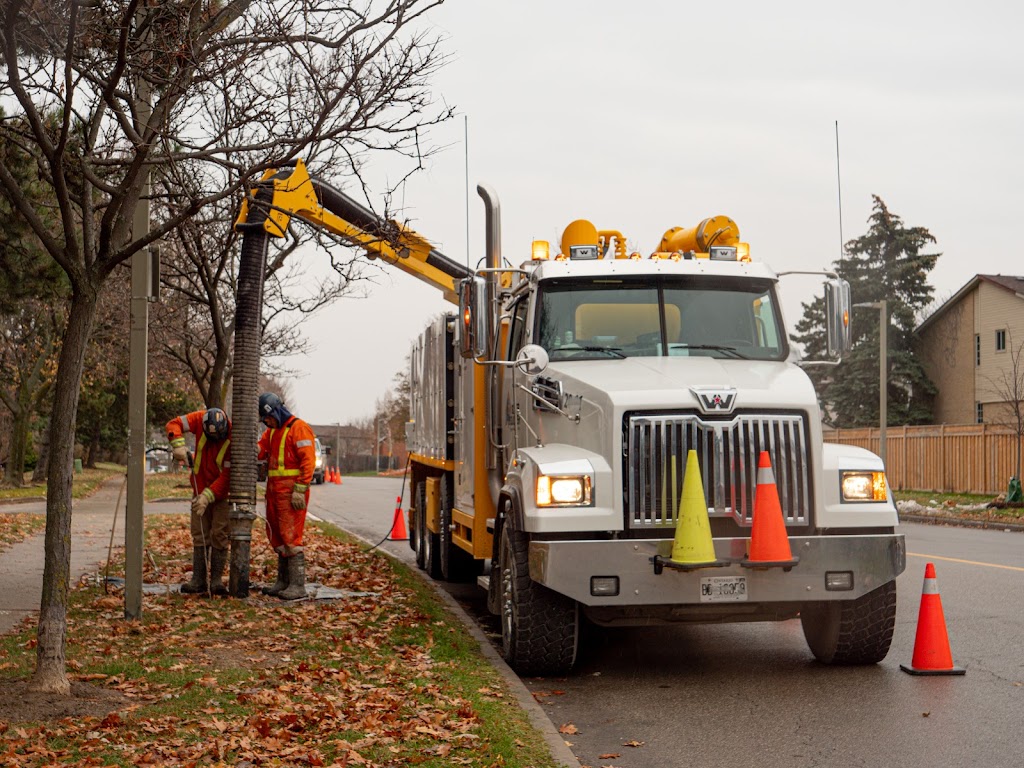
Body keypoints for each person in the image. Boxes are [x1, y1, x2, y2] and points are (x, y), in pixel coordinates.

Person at [166, 407, 232, 596]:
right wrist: (177, 445)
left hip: (221, 495)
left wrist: (208, 496)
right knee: (199, 533)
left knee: (219, 534)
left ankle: (217, 581)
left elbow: (227, 476)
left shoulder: (233, 436)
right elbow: (174, 424)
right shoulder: (199, 419)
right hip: (199, 486)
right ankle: (198, 580)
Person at [257, 392, 316, 600]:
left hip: (290, 493)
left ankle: (297, 585)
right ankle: (283, 582)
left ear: (276, 411)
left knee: (291, 537)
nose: (267, 423)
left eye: (268, 418)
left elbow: (308, 461)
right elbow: (260, 450)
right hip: (274, 492)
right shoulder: (272, 432)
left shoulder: (298, 428)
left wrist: (300, 488)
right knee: (277, 536)